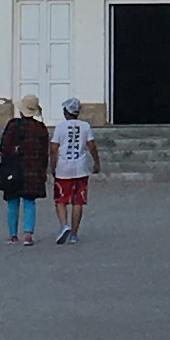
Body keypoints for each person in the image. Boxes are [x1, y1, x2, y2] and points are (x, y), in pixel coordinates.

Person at [0, 97, 50, 243]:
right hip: (33, 170)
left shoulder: (13, 125)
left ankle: (13, 235)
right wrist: (43, 172)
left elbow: (4, 146)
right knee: (29, 202)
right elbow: (45, 153)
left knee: (12, 202)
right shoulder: (41, 128)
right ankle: (28, 235)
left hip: (14, 169)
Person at [51, 97, 100, 241]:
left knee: (61, 199)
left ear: (66, 112)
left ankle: (64, 225)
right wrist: (96, 162)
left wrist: (52, 166)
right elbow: (91, 146)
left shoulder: (60, 127)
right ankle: (74, 234)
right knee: (78, 201)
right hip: (80, 167)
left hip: (63, 168)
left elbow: (54, 149)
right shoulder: (85, 126)